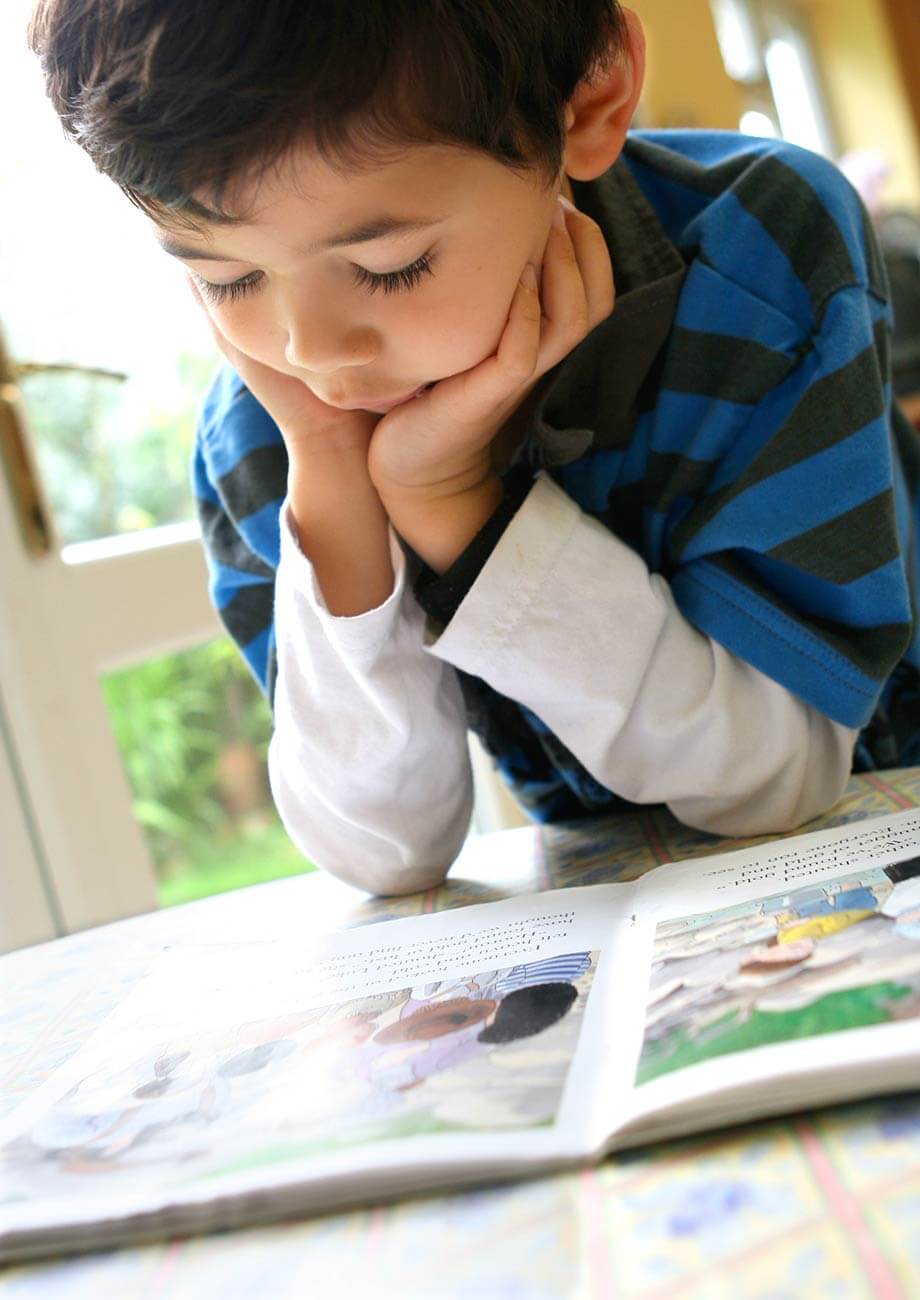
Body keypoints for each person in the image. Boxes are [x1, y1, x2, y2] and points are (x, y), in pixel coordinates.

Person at [29, 2, 920, 895]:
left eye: (390, 266)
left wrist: (455, 506)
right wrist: (337, 481)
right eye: (225, 279)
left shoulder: (760, 247)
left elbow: (778, 777)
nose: (312, 352)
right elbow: (385, 853)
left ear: (587, 102)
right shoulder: (271, 425)